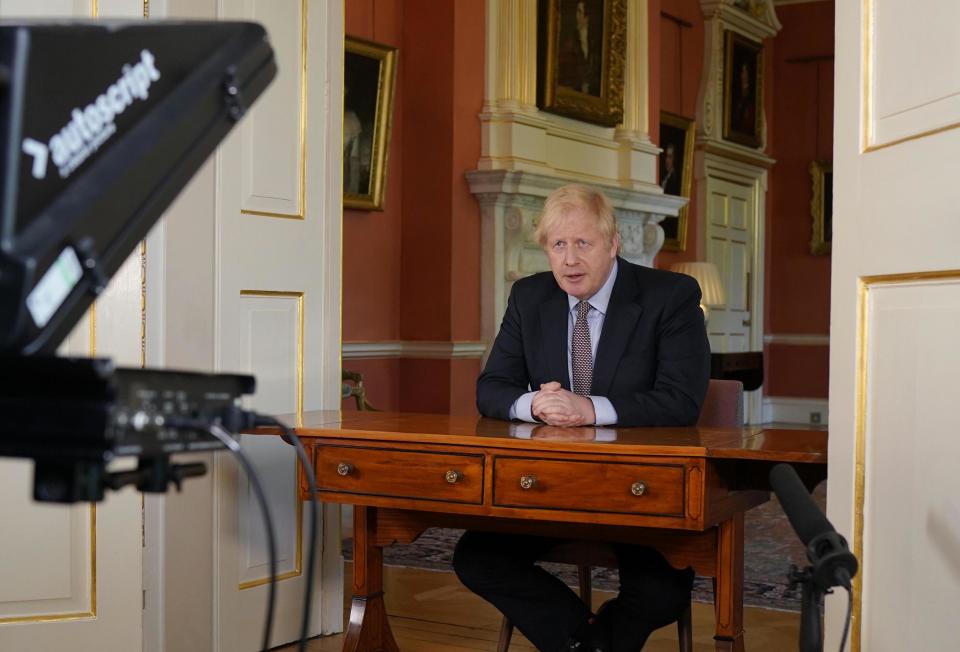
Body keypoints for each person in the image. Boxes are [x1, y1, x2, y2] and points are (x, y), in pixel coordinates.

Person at [456, 184, 710, 652]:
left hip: (642, 491)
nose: (570, 260)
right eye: (558, 245)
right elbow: (491, 389)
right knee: (477, 558)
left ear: (613, 244)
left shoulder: (669, 295)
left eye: (583, 243)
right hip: (552, 486)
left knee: (661, 592)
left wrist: (589, 409)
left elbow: (680, 401)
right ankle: (589, 643)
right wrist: (533, 403)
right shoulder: (529, 297)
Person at [558, 0, 600, 95]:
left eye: (580, 12)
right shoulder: (570, 41)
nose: (577, 16)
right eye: (577, 12)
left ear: (586, 17)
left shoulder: (594, 41)